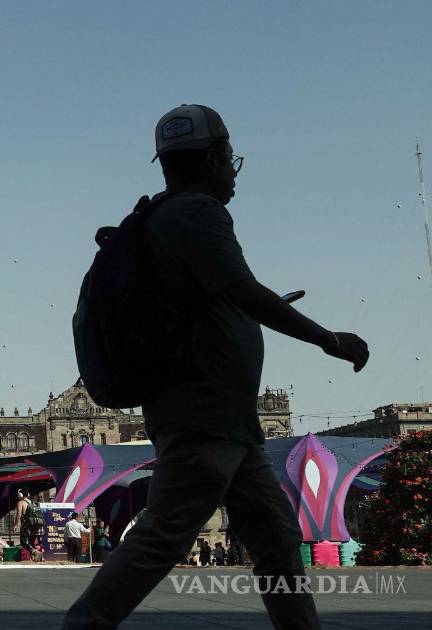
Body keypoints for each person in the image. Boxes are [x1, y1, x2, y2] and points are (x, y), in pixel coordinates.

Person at [63, 104, 368, 630]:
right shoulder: (196, 214)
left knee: (276, 537)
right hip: (203, 414)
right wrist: (327, 339)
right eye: (231, 160)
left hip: (225, 420)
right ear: (214, 158)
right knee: (166, 534)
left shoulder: (164, 218)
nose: (233, 173)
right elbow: (244, 290)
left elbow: (216, 300)